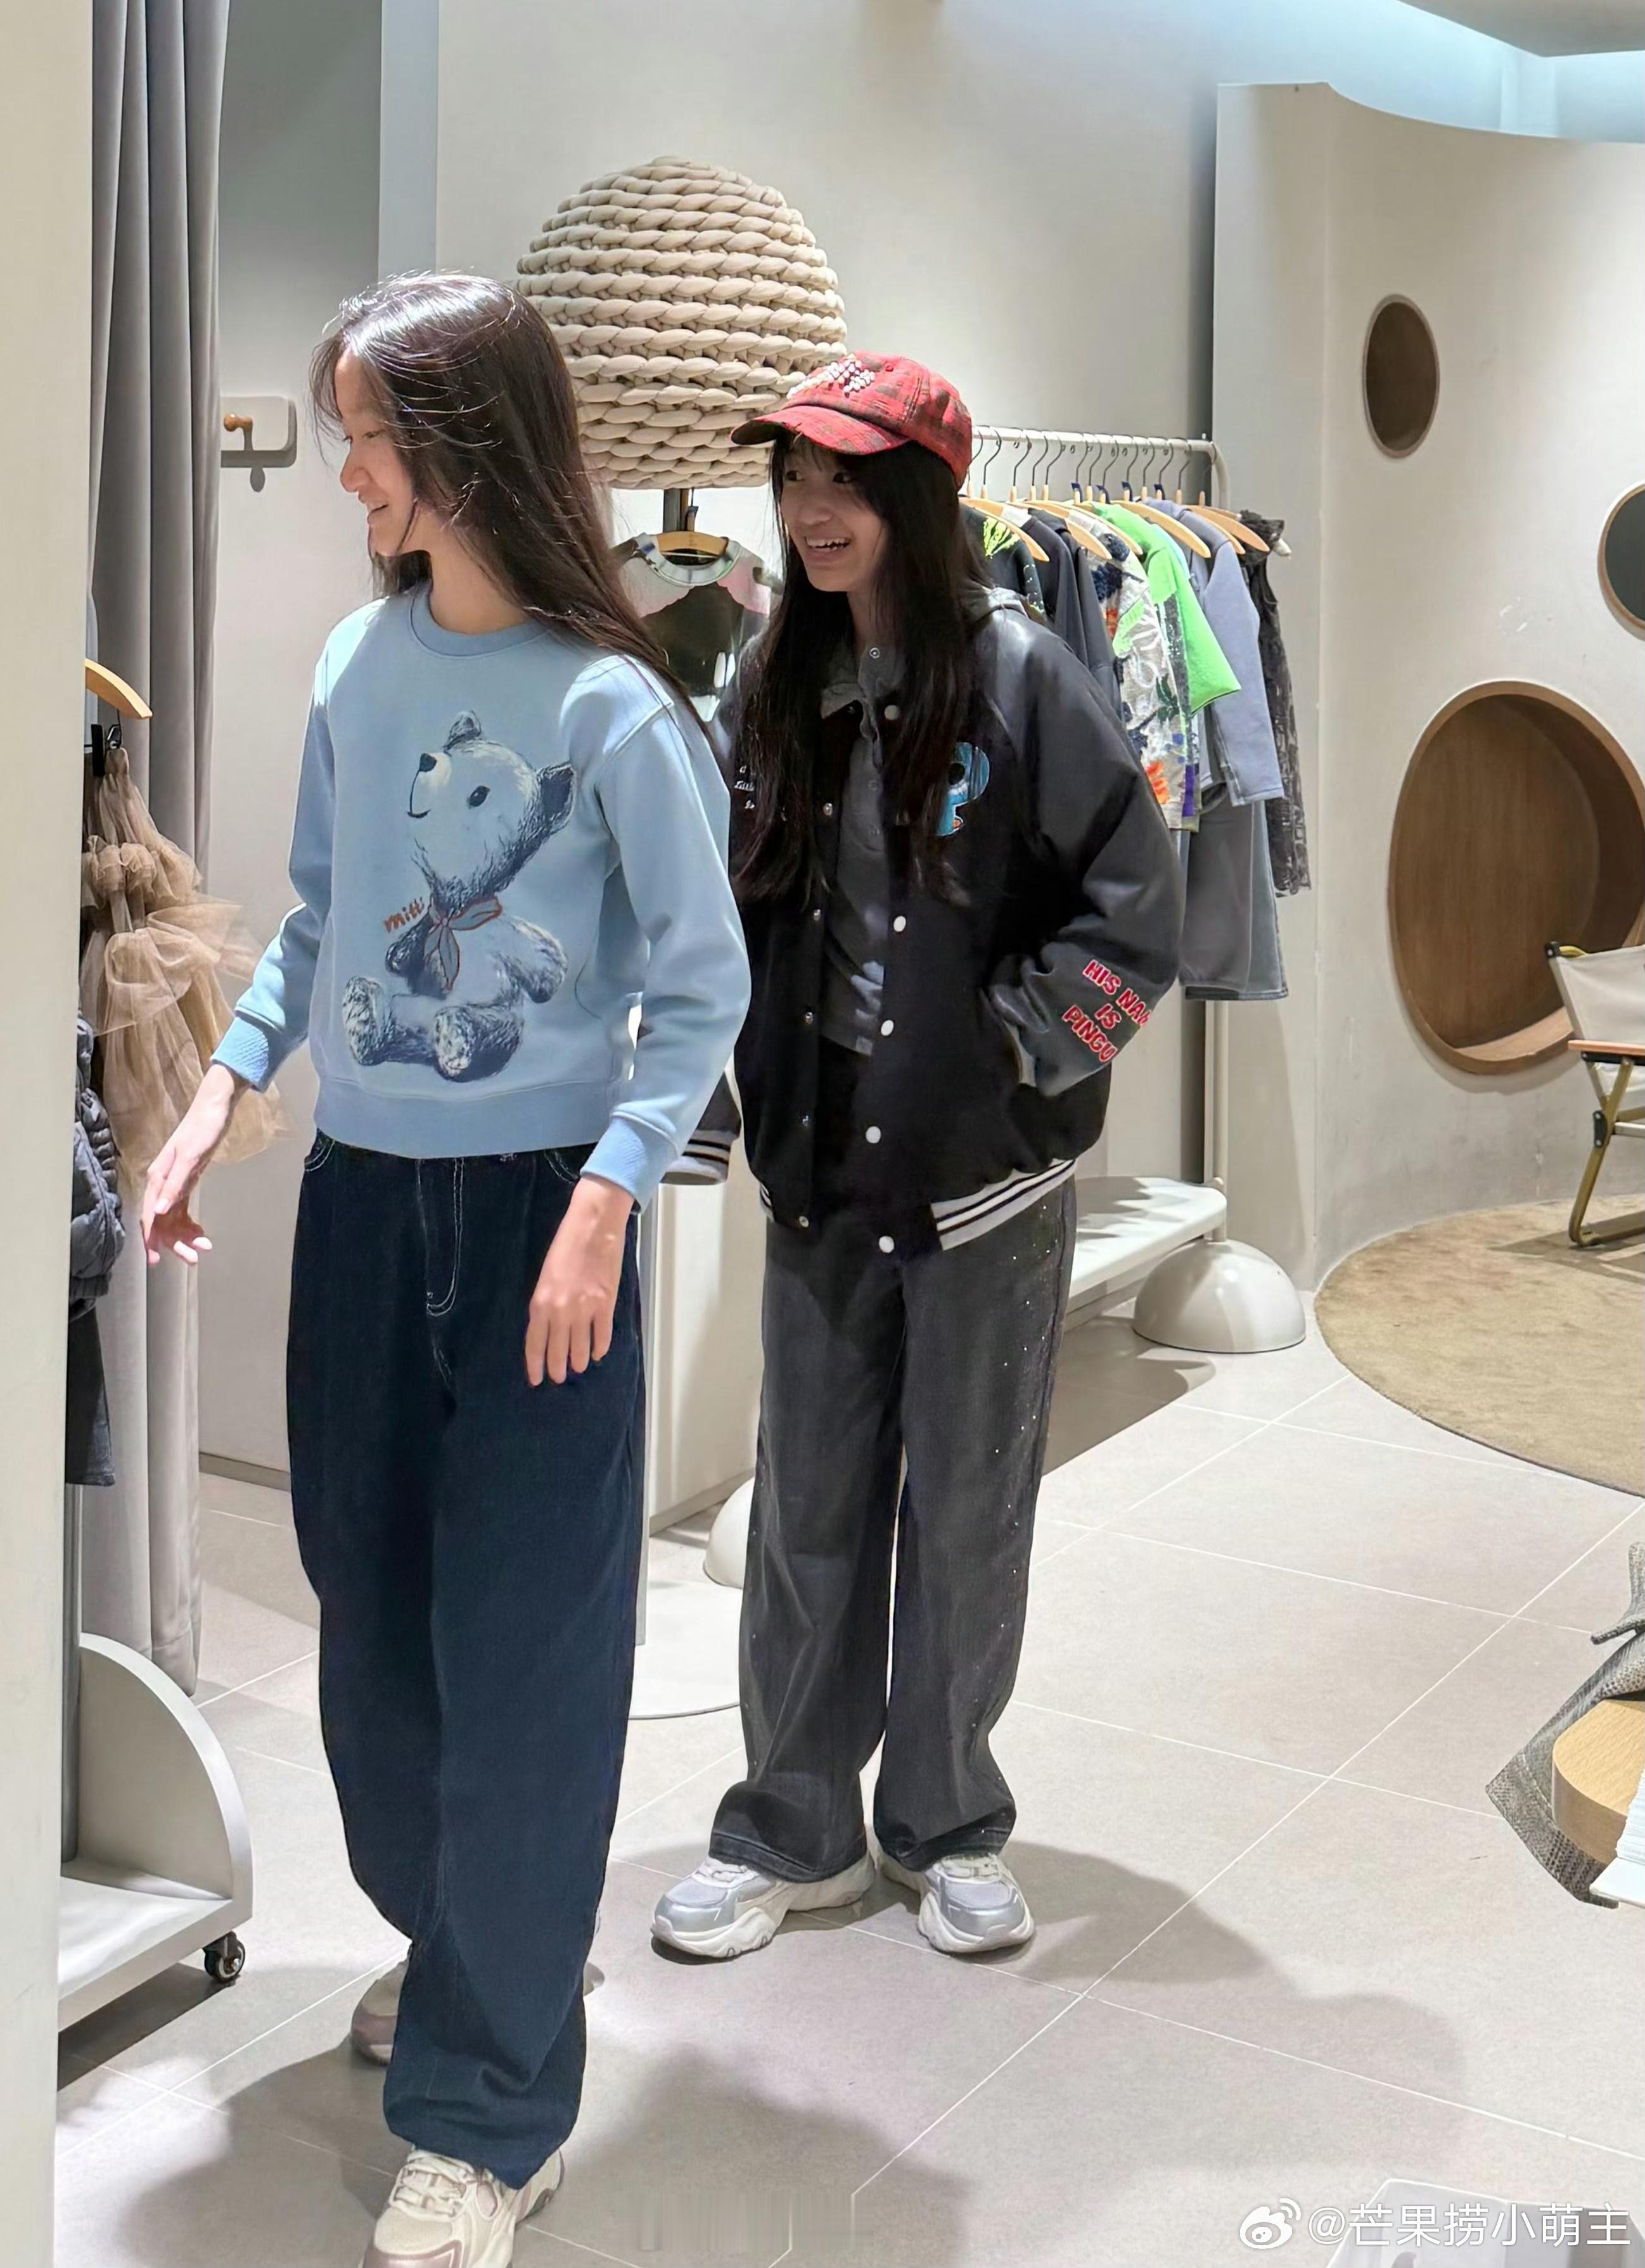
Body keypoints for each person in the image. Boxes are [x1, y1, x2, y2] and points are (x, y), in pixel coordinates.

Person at [141, 274, 748, 2268]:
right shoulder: (355, 662)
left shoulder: (612, 706)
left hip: (539, 1221)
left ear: (464, 448)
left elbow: (699, 992)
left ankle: (490, 2111)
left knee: (525, 1655)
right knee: (372, 1624)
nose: (348, 475)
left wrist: (608, 1195)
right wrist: (217, 1087)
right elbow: (325, 923)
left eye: (370, 440)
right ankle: (483, 1941)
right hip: (364, 1211)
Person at [651, 355, 1182, 1963]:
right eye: (793, 480)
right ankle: (788, 1824)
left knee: (963, 1510)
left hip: (981, 1181)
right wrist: (718, 1090)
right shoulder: (771, 674)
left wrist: (1014, 1048)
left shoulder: (1023, 672)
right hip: (820, 1166)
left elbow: (1139, 909)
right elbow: (721, 901)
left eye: (844, 480)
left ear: (915, 496)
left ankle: (947, 1820)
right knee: (806, 1506)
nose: (811, 510)